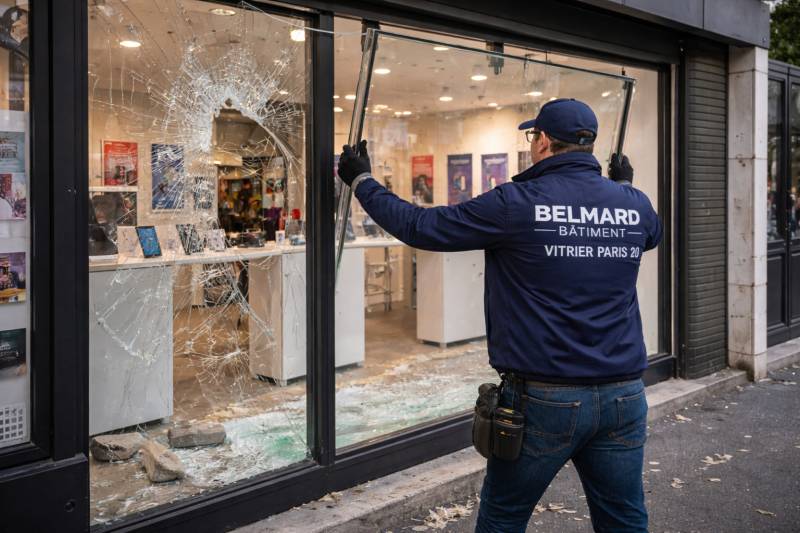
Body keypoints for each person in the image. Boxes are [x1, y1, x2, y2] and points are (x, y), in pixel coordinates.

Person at [337, 97, 662, 533]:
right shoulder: (633, 203)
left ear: (543, 141)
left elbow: (421, 227)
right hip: (624, 395)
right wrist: (622, 185)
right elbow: (649, 234)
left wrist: (361, 180)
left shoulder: (517, 202)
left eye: (533, 137)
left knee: (503, 518)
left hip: (546, 399)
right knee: (623, 519)